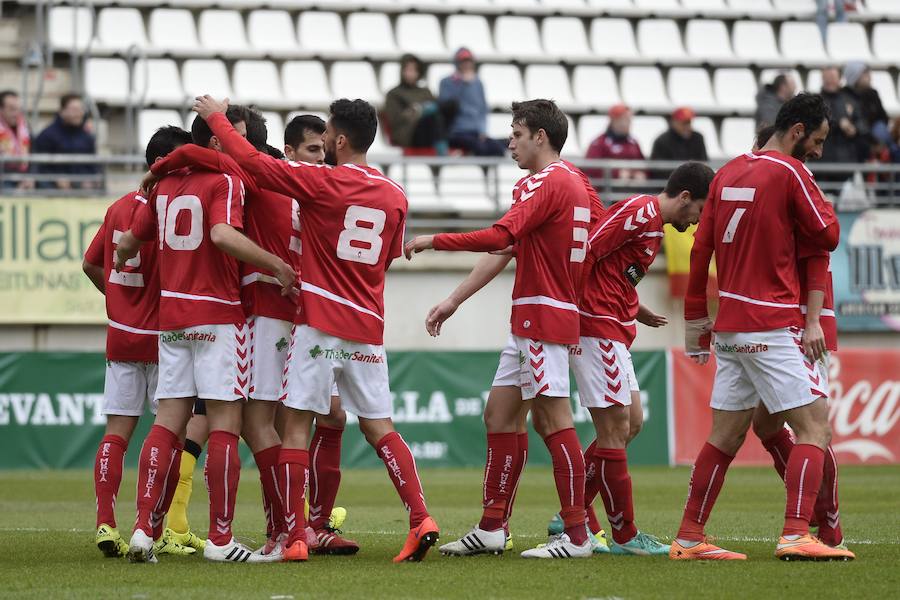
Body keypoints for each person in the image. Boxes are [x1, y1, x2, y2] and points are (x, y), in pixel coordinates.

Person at [194, 94, 439, 563]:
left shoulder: (321, 182)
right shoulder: (396, 196)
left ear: (341, 140)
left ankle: (296, 537)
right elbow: (386, 257)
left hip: (318, 323)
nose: (324, 142)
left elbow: (251, 161)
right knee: (380, 427)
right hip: (367, 326)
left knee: (295, 432)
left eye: (327, 135)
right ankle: (420, 516)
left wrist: (215, 119)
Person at [148, 110, 357, 558]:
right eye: (313, 150)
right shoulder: (316, 187)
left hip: (260, 309)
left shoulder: (256, 178)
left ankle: (290, 529)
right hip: (296, 313)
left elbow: (192, 153)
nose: (320, 158)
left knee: (243, 422)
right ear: (283, 149)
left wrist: (161, 167)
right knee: (277, 422)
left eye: (323, 150)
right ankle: (297, 525)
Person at [406, 99, 594, 559]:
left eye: (516, 133)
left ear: (540, 137)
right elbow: (510, 249)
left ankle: (576, 535)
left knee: (554, 419)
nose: (509, 142)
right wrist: (454, 299)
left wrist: (435, 239)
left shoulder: (545, 183)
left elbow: (498, 238)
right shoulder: (576, 183)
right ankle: (492, 527)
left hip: (543, 314)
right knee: (500, 416)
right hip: (535, 314)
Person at [671, 93, 853, 561]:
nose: (816, 151)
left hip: (729, 325)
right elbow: (829, 234)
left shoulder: (729, 170)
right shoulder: (791, 172)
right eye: (816, 140)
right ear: (796, 131)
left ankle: (690, 535)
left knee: (725, 436)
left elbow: (700, 249)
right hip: (771, 323)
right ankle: (797, 532)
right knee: (814, 429)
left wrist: (696, 317)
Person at [116, 105, 298, 564]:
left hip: (172, 318)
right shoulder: (227, 180)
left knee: (167, 422)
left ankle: (142, 529)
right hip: (217, 315)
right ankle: (220, 539)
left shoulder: (163, 186)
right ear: (215, 142)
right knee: (225, 425)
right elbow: (220, 234)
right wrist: (274, 263)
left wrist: (123, 252)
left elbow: (128, 244)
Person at [565, 162, 714, 557]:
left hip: (614, 323)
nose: (698, 220)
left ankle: (574, 513)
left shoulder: (651, 226)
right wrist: (574, 309)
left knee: (631, 423)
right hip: (597, 325)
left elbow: (615, 273)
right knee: (615, 428)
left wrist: (635, 306)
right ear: (685, 198)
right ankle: (623, 534)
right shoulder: (640, 213)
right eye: (700, 209)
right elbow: (588, 250)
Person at [82, 125, 194, 559]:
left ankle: (105, 524)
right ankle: (151, 526)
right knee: (170, 433)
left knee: (117, 434)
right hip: (166, 340)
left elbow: (91, 265)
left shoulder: (118, 208)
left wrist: (119, 302)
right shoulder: (171, 210)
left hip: (122, 338)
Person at [749, 125, 849, 554]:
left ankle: (824, 523)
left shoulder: (794, 190)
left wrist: (812, 322)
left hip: (800, 326)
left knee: (812, 427)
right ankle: (813, 514)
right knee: (768, 424)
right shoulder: (778, 190)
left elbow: (820, 250)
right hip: (775, 326)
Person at [438, 48, 506, 156]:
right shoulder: (446, 82)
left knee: (498, 149)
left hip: (475, 133)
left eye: (468, 61)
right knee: (480, 148)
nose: (466, 65)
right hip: (456, 132)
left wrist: (482, 130)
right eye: (463, 61)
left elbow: (482, 109)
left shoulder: (478, 83)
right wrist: (461, 84)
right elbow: (447, 107)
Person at [384, 54, 450, 155]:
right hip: (409, 134)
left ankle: (445, 144)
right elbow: (395, 120)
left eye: (414, 70)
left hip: (430, 132)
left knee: (450, 106)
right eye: (408, 69)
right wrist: (417, 111)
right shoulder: (394, 94)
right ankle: (442, 150)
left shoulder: (425, 92)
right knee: (432, 117)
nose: (411, 73)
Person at [32, 93, 99, 190]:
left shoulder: (87, 137)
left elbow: (93, 165)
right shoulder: (47, 135)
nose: (79, 113)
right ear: (62, 111)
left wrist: (89, 180)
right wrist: (55, 178)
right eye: (74, 110)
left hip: (82, 186)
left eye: (81, 109)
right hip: (53, 187)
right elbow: (39, 165)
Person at [583, 103, 646, 186]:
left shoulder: (634, 142)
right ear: (613, 121)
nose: (626, 123)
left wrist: (640, 173)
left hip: (634, 189)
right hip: (608, 190)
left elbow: (643, 164)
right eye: (623, 119)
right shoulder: (599, 143)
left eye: (629, 120)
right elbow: (592, 169)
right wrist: (616, 174)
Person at [820, 67, 866, 166]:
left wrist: (854, 129)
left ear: (840, 79)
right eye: (827, 77)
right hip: (823, 158)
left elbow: (862, 123)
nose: (830, 80)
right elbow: (815, 124)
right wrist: (838, 124)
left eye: (833, 77)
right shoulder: (816, 101)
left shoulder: (850, 100)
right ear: (822, 78)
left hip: (847, 159)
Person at [843, 61, 890, 150]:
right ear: (855, 77)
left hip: (873, 134)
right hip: (856, 136)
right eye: (865, 73)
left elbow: (883, 118)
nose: (869, 76)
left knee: (881, 129)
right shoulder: (844, 95)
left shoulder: (873, 94)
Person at [0, 90, 31, 189]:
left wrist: (31, 177)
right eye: (11, 109)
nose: (16, 113)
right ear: (1, 110)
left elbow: (35, 153)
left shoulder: (25, 127)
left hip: (25, 177)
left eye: (18, 109)